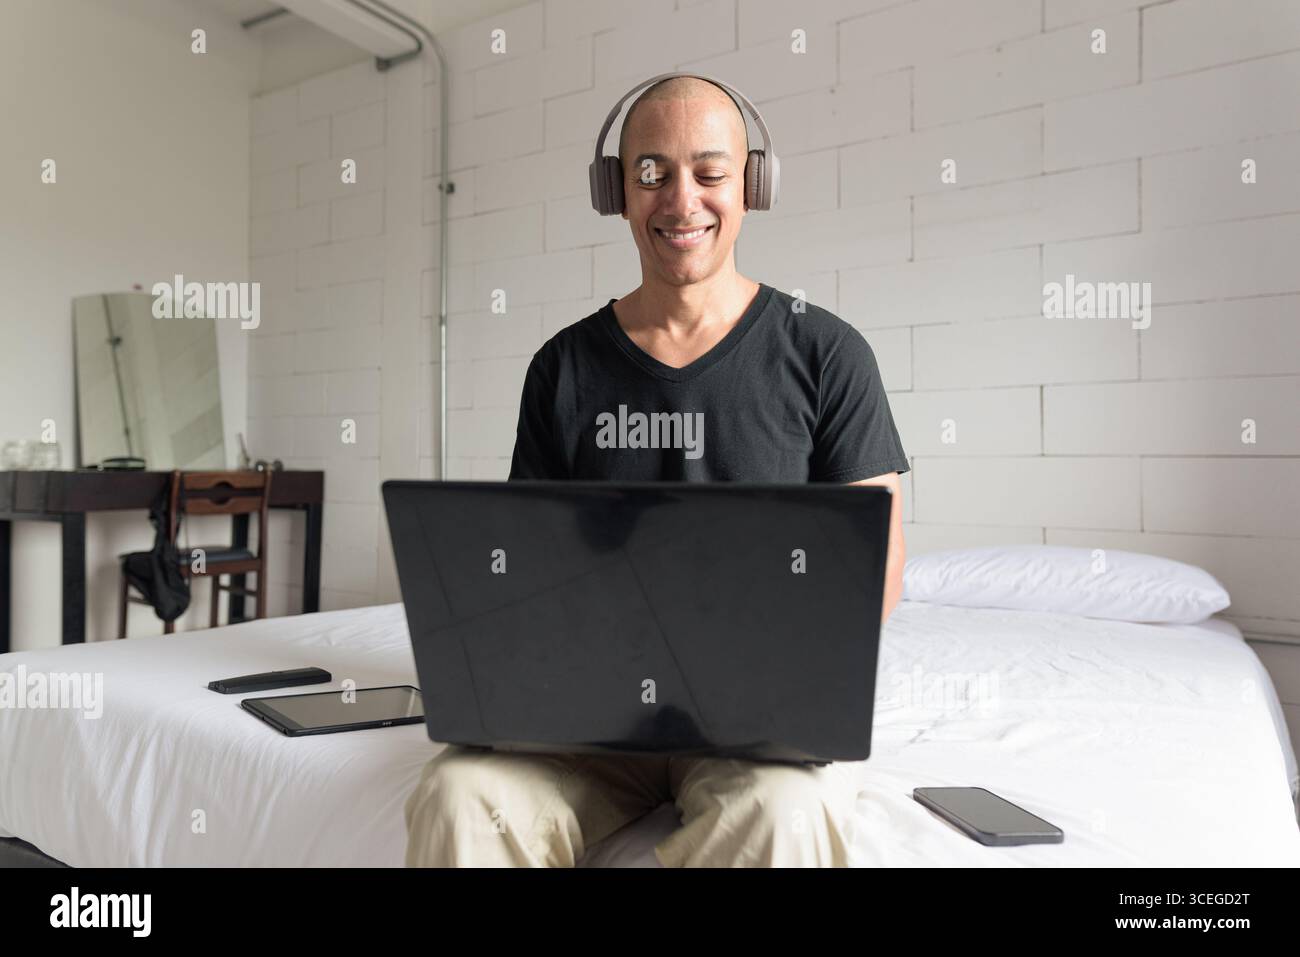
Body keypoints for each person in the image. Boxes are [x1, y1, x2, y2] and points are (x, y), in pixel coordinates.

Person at [406, 75, 909, 867]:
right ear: (616, 190)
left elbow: (875, 571)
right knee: (458, 792)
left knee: (786, 809)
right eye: (651, 173)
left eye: (709, 173)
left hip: (758, 715)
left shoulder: (829, 353)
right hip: (587, 715)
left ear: (753, 184)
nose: (681, 201)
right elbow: (518, 565)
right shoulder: (561, 365)